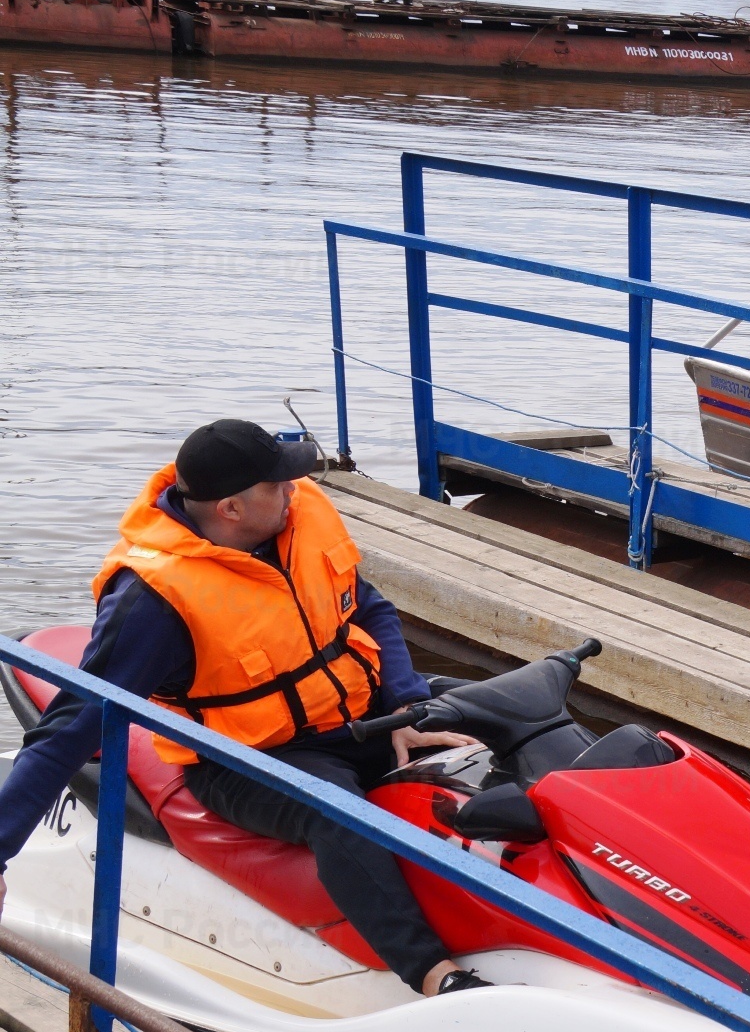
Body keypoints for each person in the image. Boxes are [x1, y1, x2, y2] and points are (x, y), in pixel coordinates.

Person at [0, 420, 487, 996]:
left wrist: (406, 706)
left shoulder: (295, 519)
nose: (293, 489)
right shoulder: (155, 598)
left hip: (359, 714)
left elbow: (371, 609)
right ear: (231, 508)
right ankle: (436, 977)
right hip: (247, 758)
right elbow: (70, 729)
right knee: (336, 812)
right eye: (277, 483)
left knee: (500, 712)